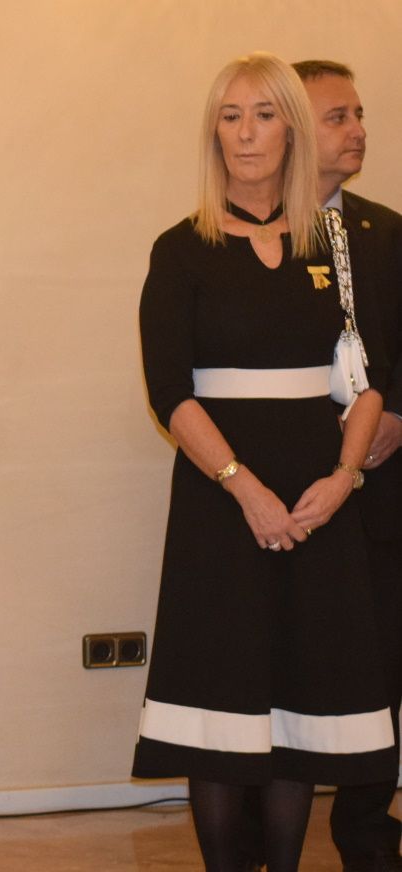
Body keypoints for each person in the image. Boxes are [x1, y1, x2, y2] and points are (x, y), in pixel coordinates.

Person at [133, 52, 396, 871]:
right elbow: (171, 393)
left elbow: (368, 382)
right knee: (222, 706)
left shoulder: (334, 246)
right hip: (222, 508)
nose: (247, 134)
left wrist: (343, 480)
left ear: (291, 131)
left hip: (320, 507)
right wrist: (243, 489)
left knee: (300, 708)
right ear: (214, 134)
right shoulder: (180, 250)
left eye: (264, 115)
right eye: (230, 116)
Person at [295, 60, 402, 872]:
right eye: (338, 117)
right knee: (297, 655)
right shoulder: (252, 235)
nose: (358, 130)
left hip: (384, 485)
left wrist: (398, 413)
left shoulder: (387, 232)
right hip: (293, 481)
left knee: (383, 656)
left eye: (358, 114)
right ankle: (265, 832)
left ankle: (367, 832)